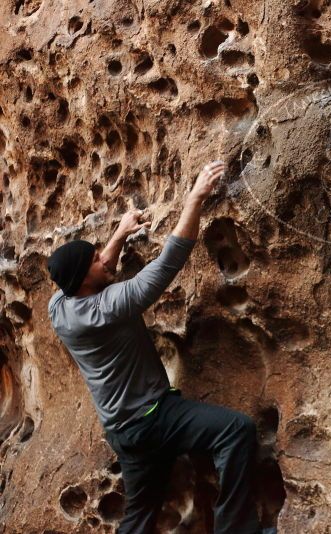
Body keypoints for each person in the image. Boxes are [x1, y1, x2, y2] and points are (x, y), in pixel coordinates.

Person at [47, 161, 276, 534]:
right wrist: (194, 199)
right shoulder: (110, 305)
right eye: (95, 260)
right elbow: (168, 264)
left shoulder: (59, 307)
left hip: (123, 433)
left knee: (139, 517)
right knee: (236, 431)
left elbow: (94, 270)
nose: (104, 259)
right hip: (154, 418)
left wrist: (120, 235)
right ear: (83, 279)